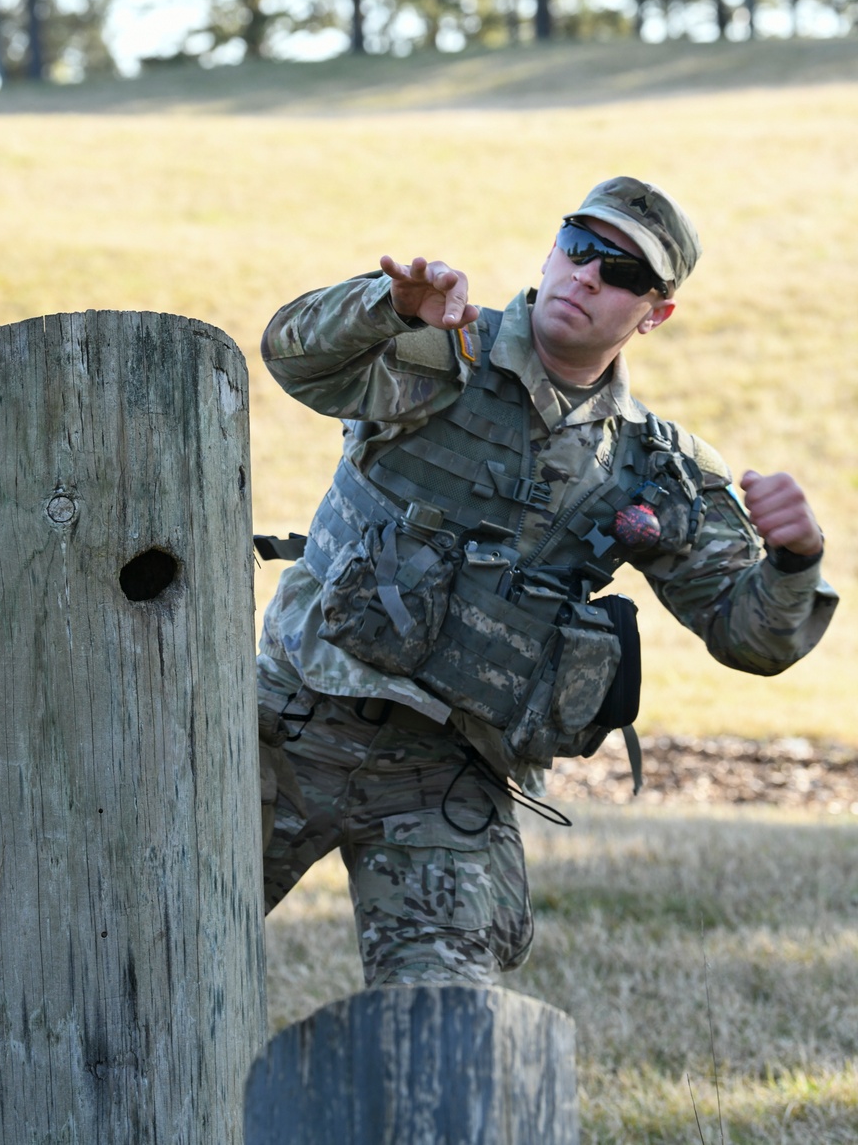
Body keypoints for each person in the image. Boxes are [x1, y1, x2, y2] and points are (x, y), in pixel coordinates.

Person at [255, 175, 837, 989]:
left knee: (449, 1030)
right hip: (288, 730)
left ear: (655, 311)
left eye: (626, 273)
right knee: (137, 951)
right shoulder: (441, 350)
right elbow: (291, 356)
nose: (590, 275)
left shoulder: (654, 469)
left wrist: (794, 559)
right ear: (556, 246)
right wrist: (385, 306)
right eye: (581, 245)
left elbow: (752, 637)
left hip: (445, 781)